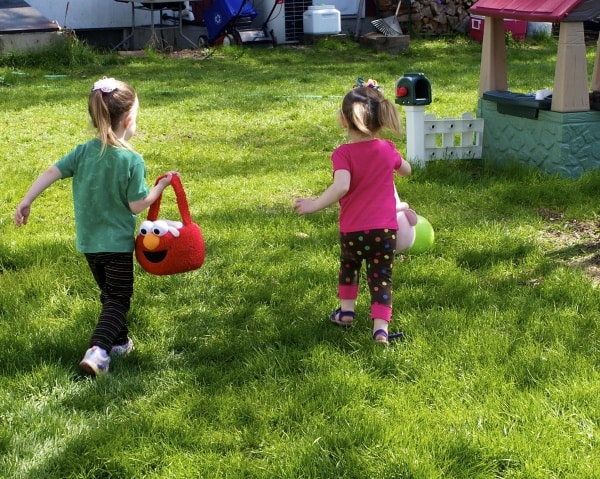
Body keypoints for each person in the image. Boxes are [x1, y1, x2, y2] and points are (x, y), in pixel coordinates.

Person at [14, 77, 176, 376]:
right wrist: (159, 188)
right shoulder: (131, 158)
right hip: (116, 245)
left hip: (89, 243)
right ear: (128, 120)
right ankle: (98, 351)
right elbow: (137, 204)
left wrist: (27, 200)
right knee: (119, 297)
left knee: (109, 294)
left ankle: (120, 342)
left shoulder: (83, 152)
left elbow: (52, 171)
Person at [294, 81, 411, 345]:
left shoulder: (343, 154)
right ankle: (380, 330)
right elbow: (407, 170)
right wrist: (397, 164)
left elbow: (342, 185)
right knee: (381, 277)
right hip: (384, 231)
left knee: (349, 266)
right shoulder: (387, 149)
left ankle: (346, 312)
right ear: (380, 120)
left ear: (344, 120)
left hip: (353, 231)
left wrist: (314, 204)